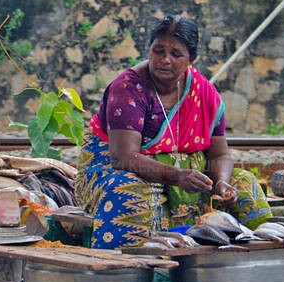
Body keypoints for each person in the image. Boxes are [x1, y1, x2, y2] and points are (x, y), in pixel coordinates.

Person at [75, 15, 271, 249]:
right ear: (149, 50)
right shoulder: (128, 89)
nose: (165, 60)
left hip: (187, 177)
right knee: (128, 191)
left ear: (192, 59)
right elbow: (123, 158)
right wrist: (178, 176)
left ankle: (261, 259)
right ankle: (127, 272)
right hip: (116, 171)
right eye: (158, 51)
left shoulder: (205, 92)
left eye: (176, 54)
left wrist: (222, 184)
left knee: (245, 183)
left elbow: (219, 155)